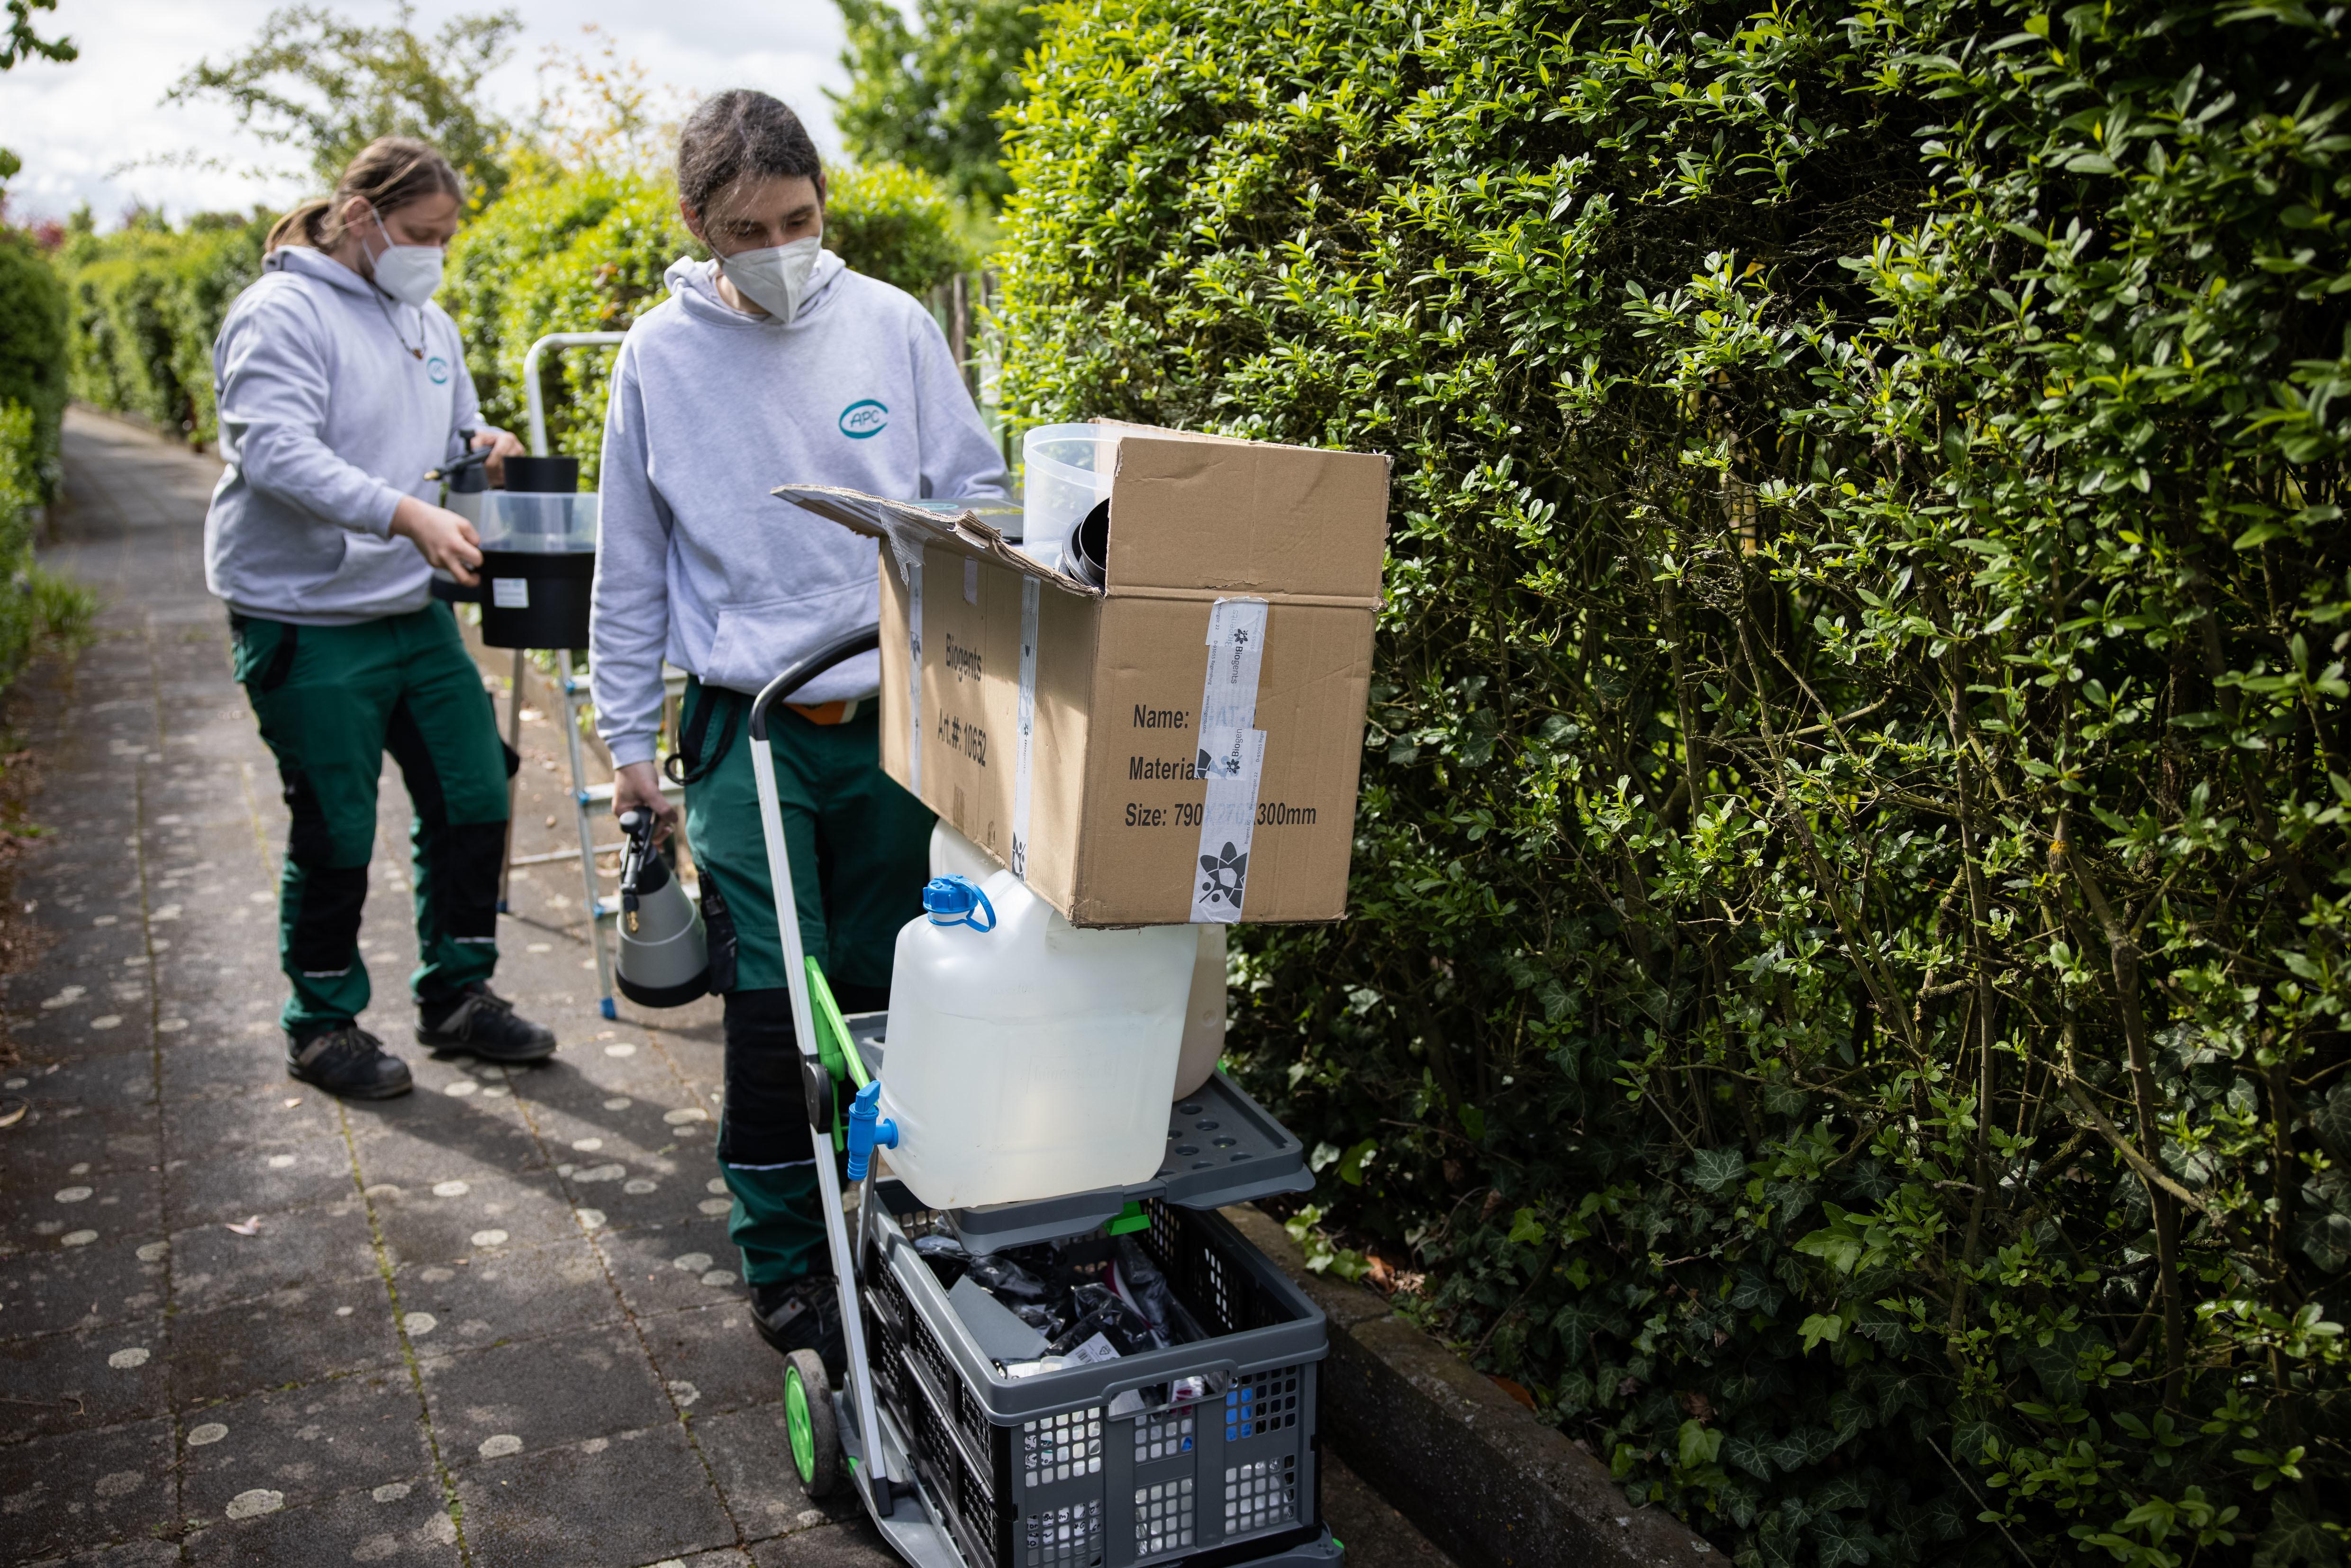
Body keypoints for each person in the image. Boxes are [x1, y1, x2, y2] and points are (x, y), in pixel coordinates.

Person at [590, 90, 1008, 1365]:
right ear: (698, 227)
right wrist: (626, 745)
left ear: (823, 205)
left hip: (892, 721)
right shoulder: (656, 358)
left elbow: (977, 489)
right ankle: (783, 1258)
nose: (776, 246)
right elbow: (632, 563)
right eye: (746, 228)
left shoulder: (888, 326)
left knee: (894, 986)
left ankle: (888, 1212)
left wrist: (955, 547)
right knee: (776, 1010)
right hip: (748, 728)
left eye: (798, 218)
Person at [207, 136, 562, 1100]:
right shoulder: (279, 314)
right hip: (306, 613)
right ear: (359, 216)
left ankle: (457, 993)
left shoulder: (426, 320)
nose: (434, 255)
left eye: (446, 239)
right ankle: (320, 1021)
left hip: (411, 609)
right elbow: (274, 450)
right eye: (420, 234)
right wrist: (402, 513)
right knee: (336, 825)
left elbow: (447, 433)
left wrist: (480, 445)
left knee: (476, 790)